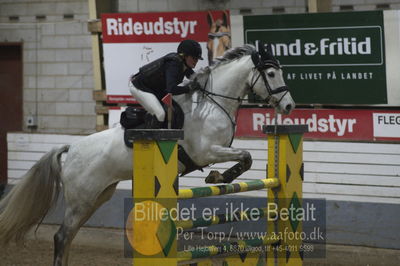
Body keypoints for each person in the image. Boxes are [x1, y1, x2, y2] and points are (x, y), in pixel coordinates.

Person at [129, 39, 203, 129]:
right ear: (184, 56)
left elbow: (194, 77)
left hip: (154, 89)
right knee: (160, 114)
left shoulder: (184, 65)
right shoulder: (173, 64)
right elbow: (171, 89)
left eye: (197, 59)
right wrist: (189, 88)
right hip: (139, 86)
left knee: (176, 111)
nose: (196, 61)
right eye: (194, 58)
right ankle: (144, 138)